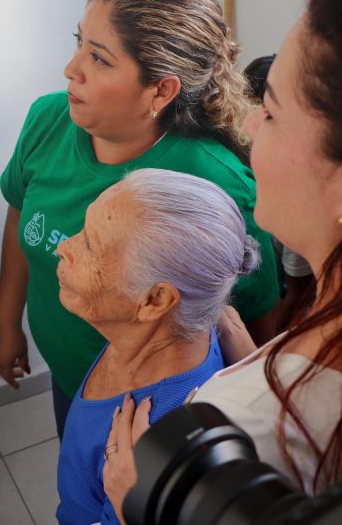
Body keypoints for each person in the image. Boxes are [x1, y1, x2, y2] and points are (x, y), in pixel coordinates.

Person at [104, 0, 342, 518]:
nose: (247, 124)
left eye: (270, 112)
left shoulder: (241, 434)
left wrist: (135, 507)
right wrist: (263, 357)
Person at [0, 0, 280, 437]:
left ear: (161, 90)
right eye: (79, 42)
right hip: (70, 378)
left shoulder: (215, 183)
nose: (71, 68)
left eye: (99, 58)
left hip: (151, 410)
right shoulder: (48, 120)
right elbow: (17, 219)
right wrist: (6, 323)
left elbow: (256, 315)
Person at [54, 168, 259, 524]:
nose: (63, 246)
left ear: (155, 301)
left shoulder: (159, 449)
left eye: (90, 246)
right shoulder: (170, 326)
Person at [242, 55, 314, 313]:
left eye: (268, 115)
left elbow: (299, 295)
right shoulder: (240, 164)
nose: (248, 126)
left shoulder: (298, 199)